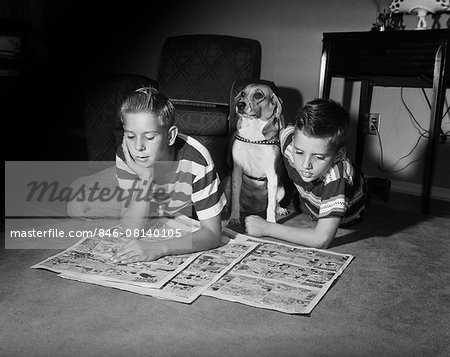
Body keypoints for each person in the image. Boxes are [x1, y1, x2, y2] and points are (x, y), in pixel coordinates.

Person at [68, 87, 226, 263]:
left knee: (187, 220)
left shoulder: (197, 160)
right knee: (77, 205)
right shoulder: (128, 153)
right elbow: (131, 231)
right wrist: (145, 179)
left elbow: (212, 234)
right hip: (139, 179)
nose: (138, 147)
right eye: (130, 136)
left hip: (169, 200)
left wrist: (159, 248)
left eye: (149, 137)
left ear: (171, 136)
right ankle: (82, 183)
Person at [244, 98, 366, 249]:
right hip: (310, 199)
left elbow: (321, 239)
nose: (305, 164)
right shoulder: (288, 141)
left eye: (319, 157)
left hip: (347, 217)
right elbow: (282, 127)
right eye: (299, 152)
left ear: (339, 155)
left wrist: (267, 228)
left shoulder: (337, 176)